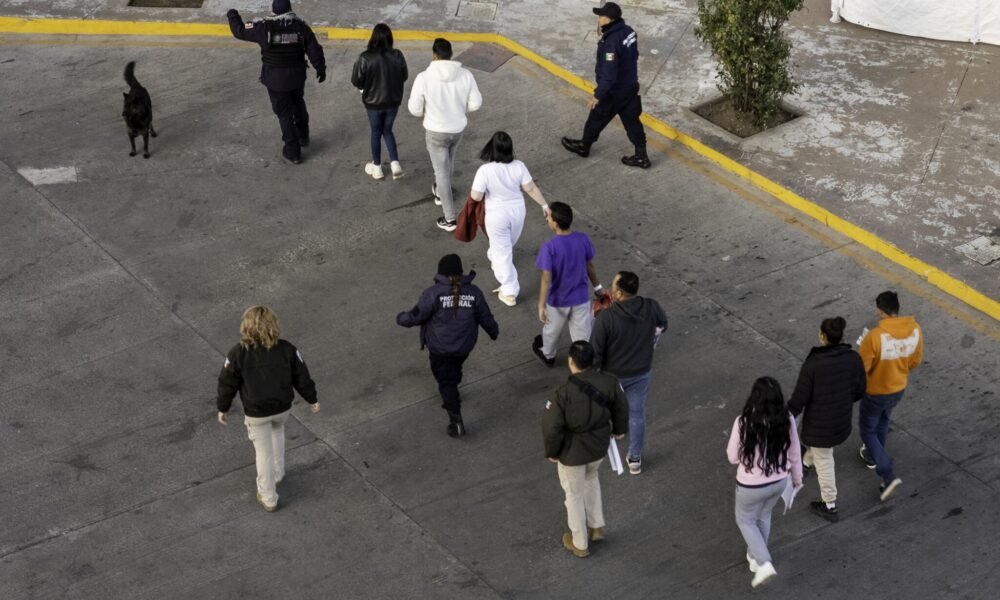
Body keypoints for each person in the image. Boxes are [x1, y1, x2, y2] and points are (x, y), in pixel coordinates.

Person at [217, 306, 319, 512]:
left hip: (256, 412)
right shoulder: (287, 349)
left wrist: (223, 407)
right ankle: (278, 472)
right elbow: (302, 377)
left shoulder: (237, 353)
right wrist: (312, 399)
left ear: (246, 327)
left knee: (262, 452)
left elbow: (227, 383)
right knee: (278, 432)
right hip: (282, 408)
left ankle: (268, 496)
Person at [396, 254, 499, 437]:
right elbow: (485, 316)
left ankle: (455, 419)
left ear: (440, 273)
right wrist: (493, 331)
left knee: (445, 382)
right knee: (455, 368)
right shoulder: (474, 292)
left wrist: (402, 319)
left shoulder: (433, 294)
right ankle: (454, 383)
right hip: (464, 346)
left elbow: (416, 315)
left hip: (440, 348)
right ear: (461, 272)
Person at [542, 341, 628, 558]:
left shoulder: (563, 393)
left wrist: (552, 452)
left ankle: (579, 542)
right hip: (598, 446)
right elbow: (621, 406)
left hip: (572, 453)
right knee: (591, 478)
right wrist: (619, 430)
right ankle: (596, 525)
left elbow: (552, 427)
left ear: (571, 362)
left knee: (573, 494)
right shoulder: (609, 382)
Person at [227, 1, 326, 165]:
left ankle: (293, 152)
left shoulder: (263, 28)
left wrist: (233, 15)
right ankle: (303, 135)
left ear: (273, 11)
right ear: (290, 9)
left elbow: (239, 31)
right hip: (296, 77)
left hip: (275, 81)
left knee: (284, 114)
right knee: (298, 103)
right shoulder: (301, 27)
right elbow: (314, 48)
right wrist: (320, 68)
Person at [787, 317, 866, 522]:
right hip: (841, 421)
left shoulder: (813, 365)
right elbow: (860, 390)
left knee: (824, 459)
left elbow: (799, 399)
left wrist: (786, 415)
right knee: (822, 449)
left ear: (822, 336)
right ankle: (804, 463)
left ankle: (829, 504)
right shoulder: (853, 359)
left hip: (819, 425)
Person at [726, 377, 803, 589]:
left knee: (745, 521)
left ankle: (763, 561)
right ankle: (754, 555)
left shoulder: (743, 422)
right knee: (764, 516)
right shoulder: (786, 419)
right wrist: (797, 479)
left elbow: (732, 456)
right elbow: (795, 452)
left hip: (750, 485)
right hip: (779, 480)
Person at [589, 271, 667, 474]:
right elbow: (662, 325)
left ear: (620, 293)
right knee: (637, 414)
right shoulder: (651, 306)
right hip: (641, 371)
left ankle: (607, 438)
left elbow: (595, 352)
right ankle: (634, 459)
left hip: (612, 376)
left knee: (606, 408)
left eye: (613, 286)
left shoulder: (607, 318)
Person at [561, 2, 650, 169]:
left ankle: (584, 146)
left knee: (596, 118)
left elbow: (609, 76)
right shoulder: (629, 31)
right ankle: (641, 155)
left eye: (601, 16)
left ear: (610, 19)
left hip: (613, 92)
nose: (598, 19)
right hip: (630, 87)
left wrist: (598, 96)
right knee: (632, 121)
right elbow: (634, 55)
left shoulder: (611, 42)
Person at [407, 38, 483, 231]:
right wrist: (458, 110)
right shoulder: (465, 75)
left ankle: (450, 218)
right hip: (457, 129)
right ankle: (441, 192)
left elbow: (415, 109)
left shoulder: (423, 77)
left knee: (441, 172)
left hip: (435, 131)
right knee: (449, 159)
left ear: (434, 55)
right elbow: (475, 104)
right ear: (451, 54)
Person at [469, 131, 550, 307]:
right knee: (506, 245)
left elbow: (476, 196)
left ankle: (509, 290)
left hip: (497, 215)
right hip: (518, 212)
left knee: (503, 253)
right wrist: (545, 205)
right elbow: (530, 188)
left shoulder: (485, 170)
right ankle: (495, 257)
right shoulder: (519, 166)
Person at [856, 291, 923, 502]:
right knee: (883, 420)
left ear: (880, 310)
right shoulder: (915, 330)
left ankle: (887, 473)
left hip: (876, 391)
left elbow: (862, 368)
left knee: (867, 430)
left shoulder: (875, 337)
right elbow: (915, 361)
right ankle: (875, 453)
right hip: (898, 387)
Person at [533, 201, 604, 367]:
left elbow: (546, 278)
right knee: (582, 335)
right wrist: (598, 288)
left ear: (556, 223)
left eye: (549, 217)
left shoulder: (549, 247)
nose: (547, 220)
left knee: (551, 331)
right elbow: (589, 266)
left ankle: (548, 355)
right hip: (580, 298)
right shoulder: (582, 239)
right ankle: (583, 362)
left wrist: (541, 304)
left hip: (557, 301)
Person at [351, 23, 408, 181]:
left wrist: (365, 89)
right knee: (387, 131)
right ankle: (395, 163)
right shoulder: (397, 55)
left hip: (373, 104)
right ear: (390, 38)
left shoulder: (365, 57)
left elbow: (356, 80)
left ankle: (377, 168)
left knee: (376, 132)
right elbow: (404, 76)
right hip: (393, 102)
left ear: (373, 38)